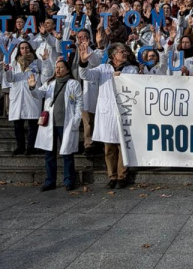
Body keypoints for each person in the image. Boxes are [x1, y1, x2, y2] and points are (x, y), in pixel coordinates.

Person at [78, 37, 138, 189]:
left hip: (125, 111)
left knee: (122, 146)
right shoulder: (103, 68)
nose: (125, 54)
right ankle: (112, 176)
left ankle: (122, 176)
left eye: (126, 52)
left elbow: (136, 85)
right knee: (109, 147)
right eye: (121, 52)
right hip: (107, 113)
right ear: (113, 55)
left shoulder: (132, 69)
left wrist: (122, 78)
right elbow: (86, 76)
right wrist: (83, 62)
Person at [29, 58, 83, 192]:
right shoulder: (49, 83)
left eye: (61, 67)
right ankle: (50, 181)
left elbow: (79, 102)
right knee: (49, 154)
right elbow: (38, 94)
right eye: (56, 67)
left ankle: (69, 180)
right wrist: (32, 87)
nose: (58, 70)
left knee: (67, 153)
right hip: (50, 124)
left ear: (67, 70)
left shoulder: (74, 84)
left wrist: (76, 119)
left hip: (66, 124)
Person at [2, 40, 50, 156]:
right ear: (19, 50)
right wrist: (6, 71)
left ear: (31, 49)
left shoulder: (37, 62)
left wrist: (45, 61)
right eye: (22, 48)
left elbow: (47, 75)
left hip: (32, 95)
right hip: (18, 95)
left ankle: (31, 147)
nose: (25, 50)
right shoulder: (14, 63)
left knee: (33, 122)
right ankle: (20, 147)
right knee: (18, 123)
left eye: (27, 48)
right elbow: (10, 79)